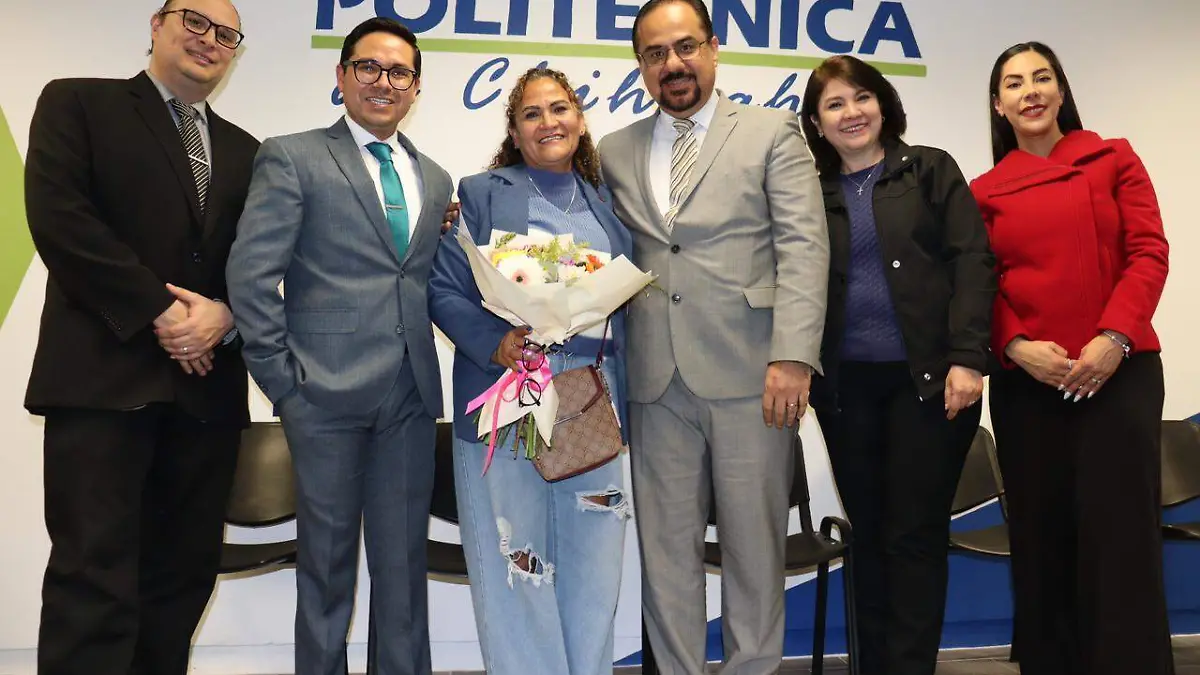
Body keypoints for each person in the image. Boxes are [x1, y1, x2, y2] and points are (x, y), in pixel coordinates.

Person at [22, 1, 256, 673]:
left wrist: (227, 314)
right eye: (195, 22)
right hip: (102, 382)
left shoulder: (248, 151)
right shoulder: (78, 103)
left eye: (226, 35)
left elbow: (262, 259)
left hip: (206, 396)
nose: (209, 41)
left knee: (182, 578)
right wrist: (160, 310)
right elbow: (62, 220)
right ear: (157, 24)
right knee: (92, 577)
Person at [597, 1, 830, 671]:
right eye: (655, 53)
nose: (672, 64)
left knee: (754, 551)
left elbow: (804, 248)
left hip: (755, 378)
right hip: (653, 381)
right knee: (666, 554)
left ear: (713, 47)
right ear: (640, 65)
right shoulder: (613, 151)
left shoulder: (772, 131)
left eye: (685, 47)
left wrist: (793, 357)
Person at [224, 17, 452, 675]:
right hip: (320, 396)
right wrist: (284, 385)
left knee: (404, 569)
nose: (384, 82)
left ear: (416, 87)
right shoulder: (292, 156)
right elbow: (251, 275)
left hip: (410, 396)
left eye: (400, 72)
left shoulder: (436, 178)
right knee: (325, 569)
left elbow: (419, 279)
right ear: (342, 75)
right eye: (369, 67)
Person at [971, 41, 1172, 675]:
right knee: (1042, 537)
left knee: (1122, 538)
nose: (1029, 91)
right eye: (1014, 83)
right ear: (998, 105)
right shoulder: (982, 191)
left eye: (1041, 78)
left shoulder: (1114, 157)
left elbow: (1149, 253)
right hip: (1029, 383)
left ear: (1060, 90)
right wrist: (1015, 346)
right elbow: (978, 284)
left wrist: (1114, 339)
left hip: (1121, 374)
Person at [428, 66, 633, 675]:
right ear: (515, 132)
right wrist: (496, 344)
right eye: (532, 114)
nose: (549, 122)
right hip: (509, 389)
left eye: (559, 108)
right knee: (515, 557)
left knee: (594, 557)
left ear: (580, 120)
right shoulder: (480, 194)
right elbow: (444, 289)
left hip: (592, 397)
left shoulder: (609, 203)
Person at [798, 55, 996, 675]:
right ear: (817, 123)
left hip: (930, 385)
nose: (851, 112)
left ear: (883, 104)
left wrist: (968, 357)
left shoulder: (929, 169)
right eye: (834, 104)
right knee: (871, 534)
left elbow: (973, 262)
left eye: (861, 97)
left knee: (913, 535)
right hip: (846, 391)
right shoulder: (810, 193)